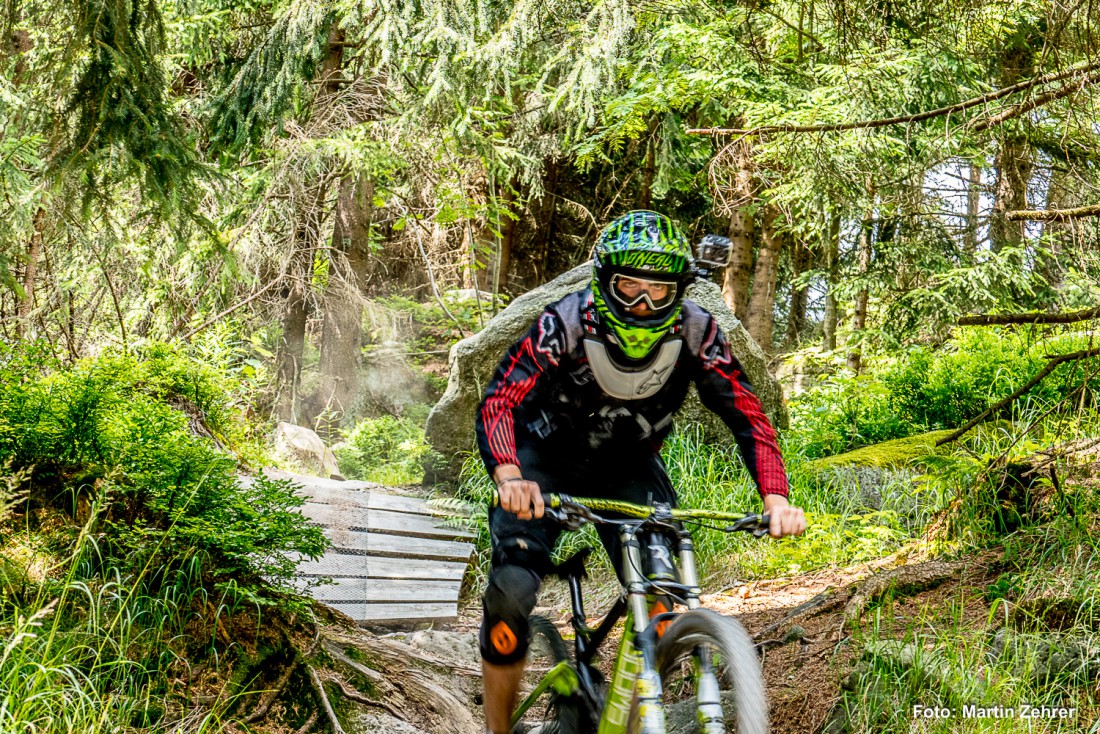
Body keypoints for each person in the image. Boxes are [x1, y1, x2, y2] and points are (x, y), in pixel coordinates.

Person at [474, 210, 806, 734]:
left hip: (629, 467)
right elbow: (501, 399)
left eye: (659, 290)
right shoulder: (565, 322)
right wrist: (510, 476)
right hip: (541, 464)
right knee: (511, 595)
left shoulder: (698, 332)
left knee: (664, 597)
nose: (644, 304)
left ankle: (628, 716)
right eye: (630, 287)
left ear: (680, 290)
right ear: (605, 281)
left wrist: (775, 498)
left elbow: (749, 415)